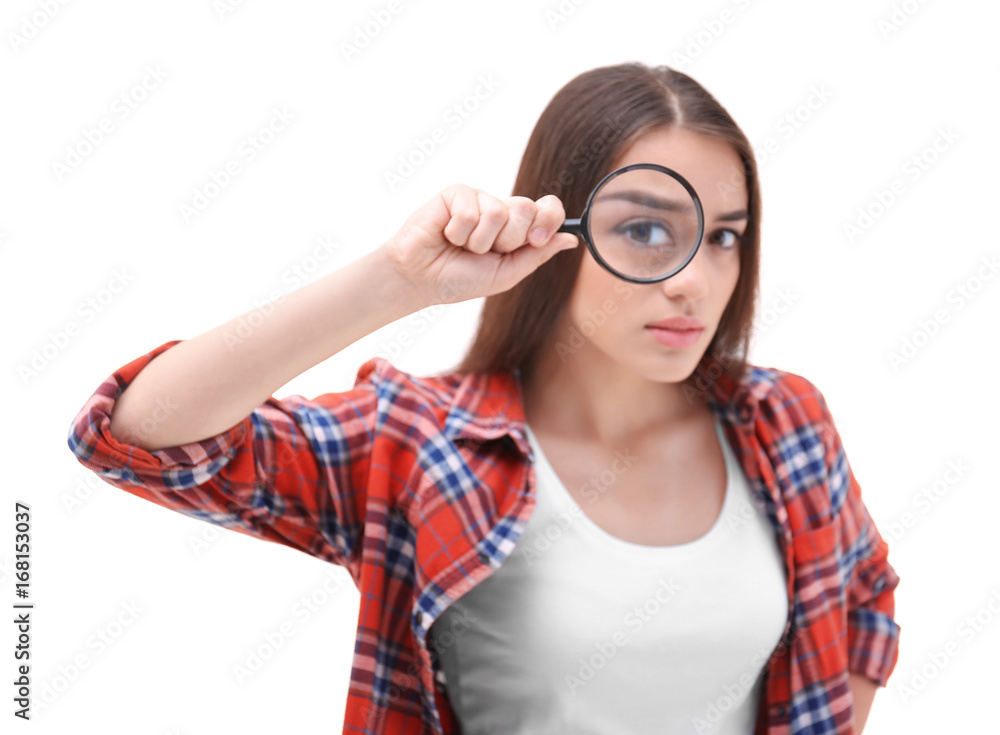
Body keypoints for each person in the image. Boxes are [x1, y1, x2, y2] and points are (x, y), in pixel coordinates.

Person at [66, 62, 901, 734]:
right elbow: (139, 437)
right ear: (559, 235)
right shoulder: (422, 442)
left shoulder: (784, 420)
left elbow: (864, 596)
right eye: (646, 230)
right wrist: (393, 281)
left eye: (724, 236)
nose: (693, 280)